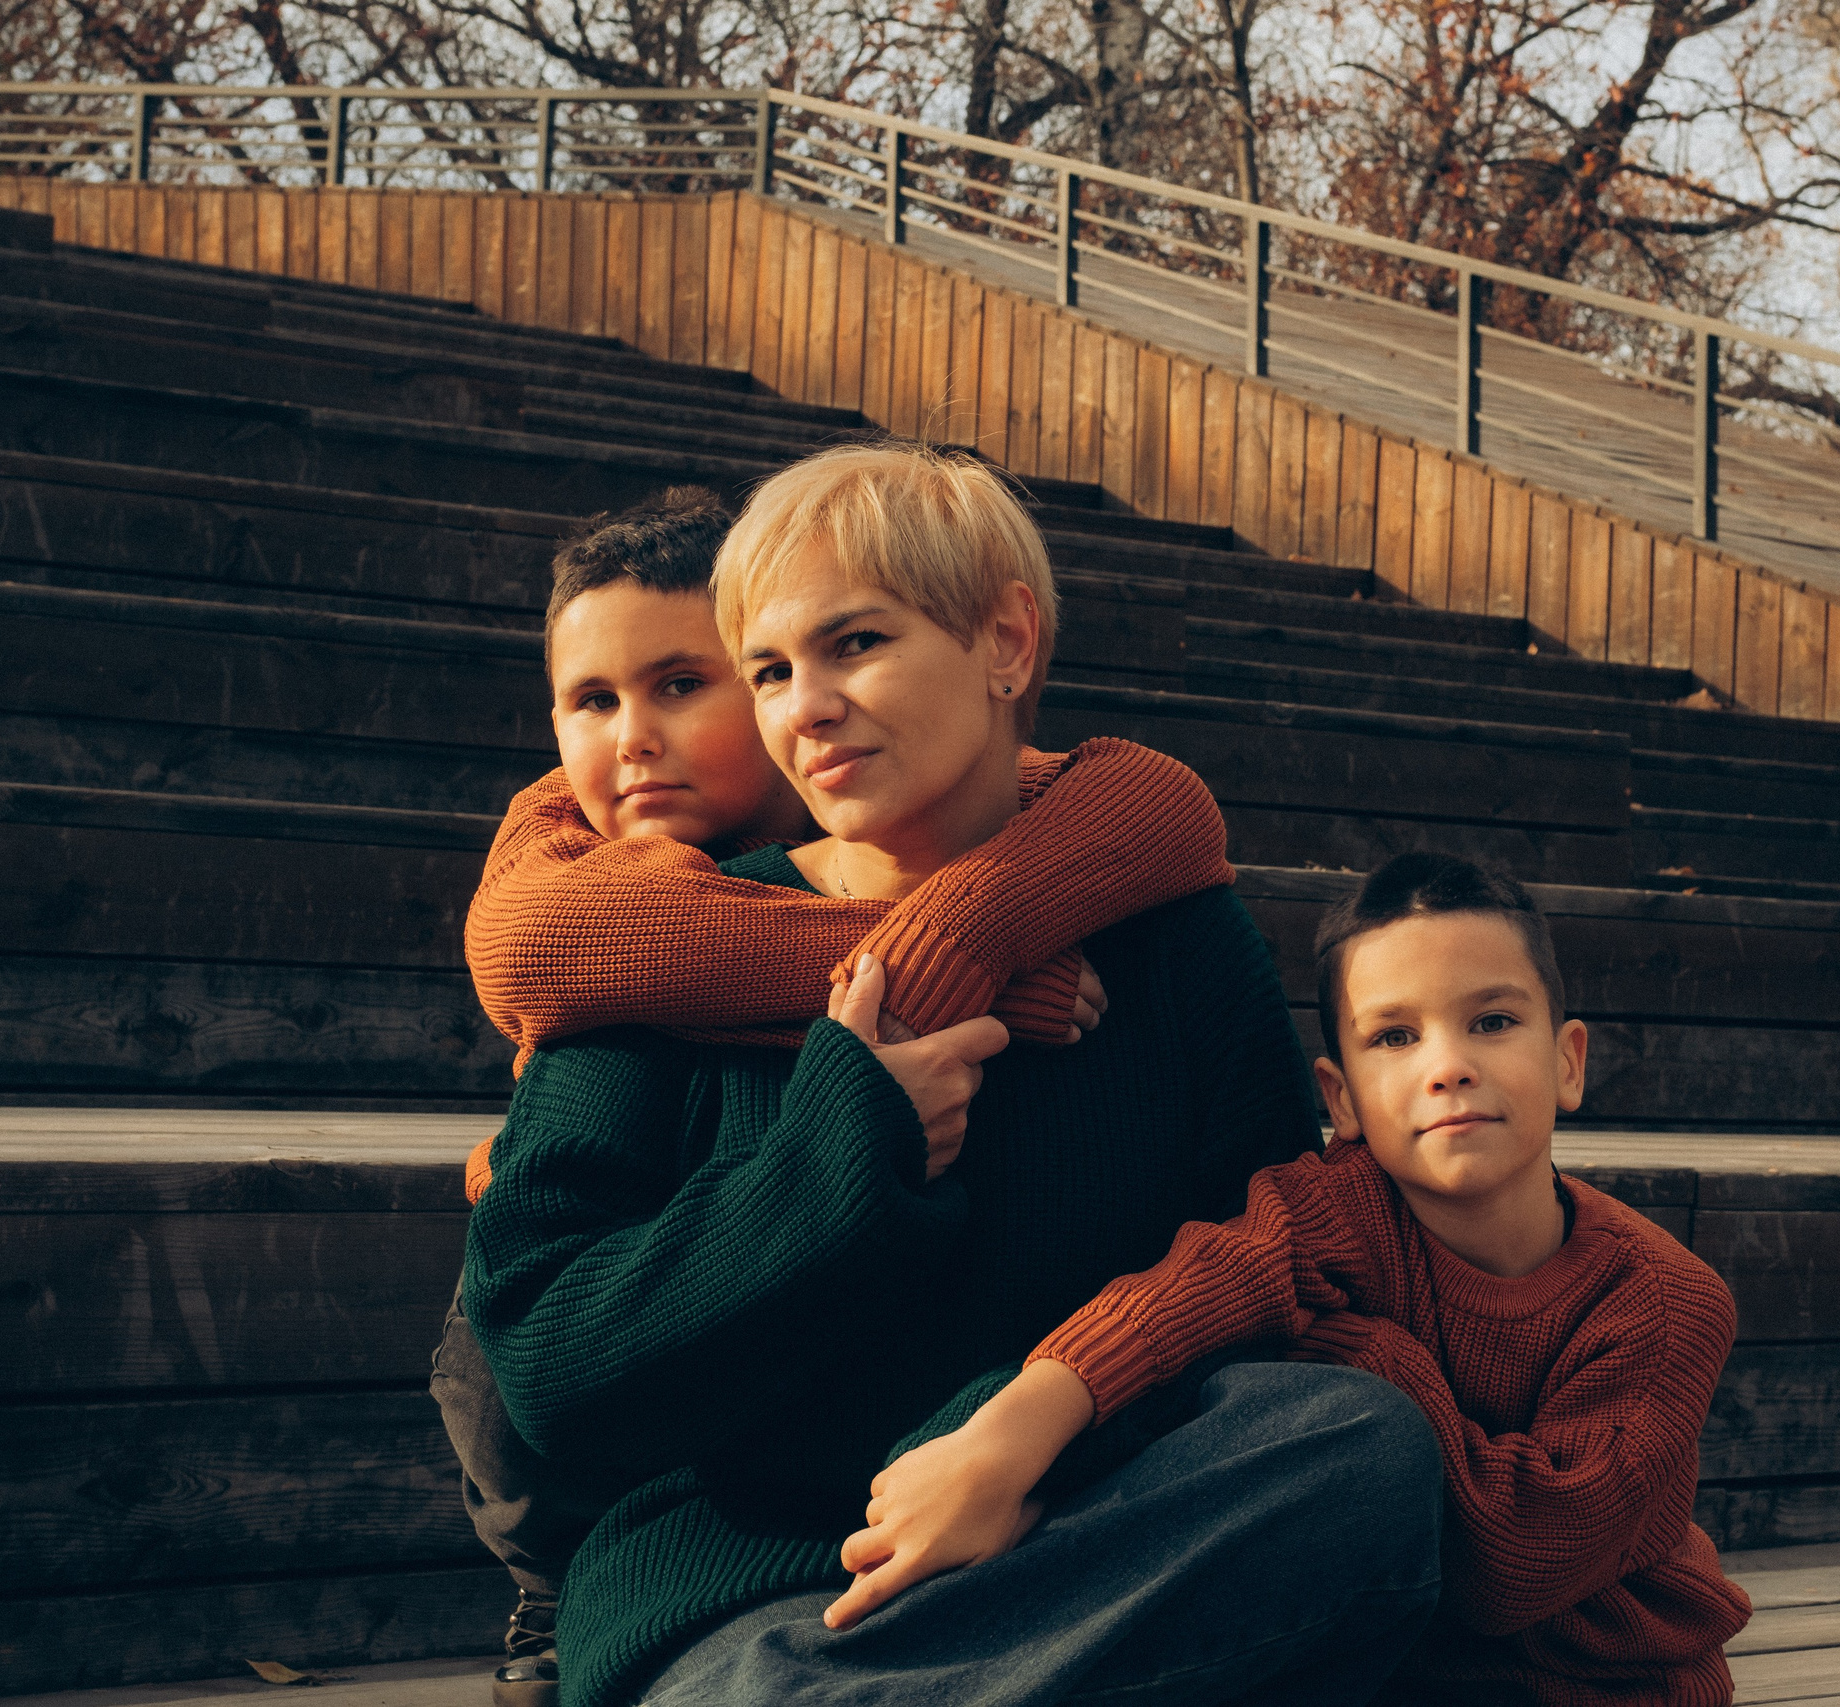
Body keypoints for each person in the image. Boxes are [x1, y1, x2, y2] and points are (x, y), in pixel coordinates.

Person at [462, 442, 1446, 1707]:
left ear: (1007, 643)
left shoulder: (1165, 932)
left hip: (1092, 1537)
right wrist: (839, 1156)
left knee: (1359, 1454)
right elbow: (551, 1373)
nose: (803, 708)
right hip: (770, 1603)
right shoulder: (659, 960)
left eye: (854, 644)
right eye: (768, 670)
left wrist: (1024, 1430)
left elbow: (1291, 1257)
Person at [842, 853, 1754, 1707]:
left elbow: (1516, 1562)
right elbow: (1183, 1293)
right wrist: (1005, 1443)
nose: (1448, 1066)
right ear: (1342, 1099)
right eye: (1395, 1036)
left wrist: (1367, 1352)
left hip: (1607, 1687)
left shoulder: (1664, 1300)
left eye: (1492, 1020)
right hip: (1390, 1667)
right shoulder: (1336, 1208)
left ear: (1569, 1062)